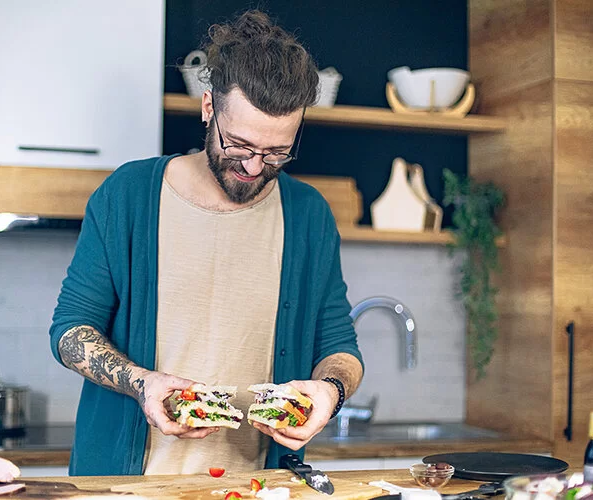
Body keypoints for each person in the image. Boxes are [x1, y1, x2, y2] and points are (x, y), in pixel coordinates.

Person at [49, 10, 363, 476]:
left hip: (259, 484)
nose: (255, 167)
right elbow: (70, 331)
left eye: (277, 152)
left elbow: (339, 346)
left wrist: (329, 393)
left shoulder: (309, 215)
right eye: (239, 144)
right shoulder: (129, 195)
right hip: (127, 486)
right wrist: (143, 384)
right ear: (208, 108)